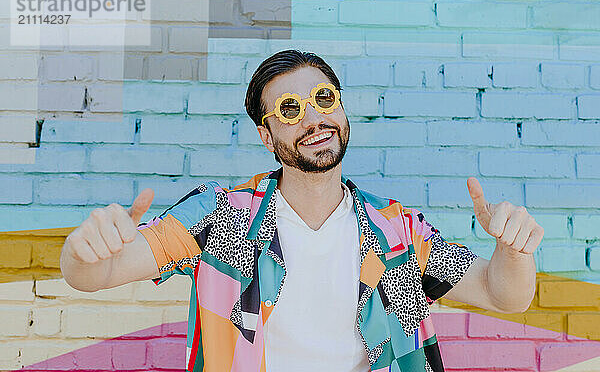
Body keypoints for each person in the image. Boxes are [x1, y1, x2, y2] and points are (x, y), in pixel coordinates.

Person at [60, 50, 544, 372]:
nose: (314, 119)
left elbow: (502, 294)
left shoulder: (397, 230)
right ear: (267, 136)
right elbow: (95, 275)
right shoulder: (222, 218)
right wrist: (83, 254)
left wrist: (515, 251)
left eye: (324, 99)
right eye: (290, 109)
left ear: (343, 111)